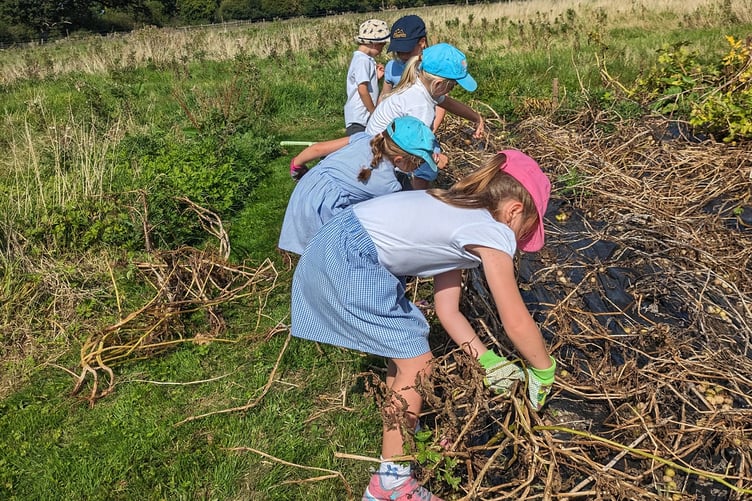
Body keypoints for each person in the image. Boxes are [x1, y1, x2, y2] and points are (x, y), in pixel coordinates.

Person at [291, 150, 557, 500]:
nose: (519, 243)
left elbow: (448, 310)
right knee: (419, 366)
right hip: (351, 258)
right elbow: (516, 320)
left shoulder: (458, 211)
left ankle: (401, 442)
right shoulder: (493, 232)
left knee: (404, 352)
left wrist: (488, 360)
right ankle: (391, 485)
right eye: (525, 232)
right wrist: (543, 368)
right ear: (514, 210)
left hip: (335, 245)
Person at [278, 116, 437, 255]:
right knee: (328, 254)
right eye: (420, 163)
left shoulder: (362, 138)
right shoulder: (388, 186)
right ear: (399, 160)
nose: (419, 167)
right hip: (323, 207)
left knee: (311, 248)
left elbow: (316, 148)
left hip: (306, 187)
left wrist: (296, 166)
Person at [366, 42, 485, 190]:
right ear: (439, 84)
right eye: (453, 85)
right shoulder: (420, 106)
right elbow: (417, 152)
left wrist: (475, 117)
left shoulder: (419, 83)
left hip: (376, 149)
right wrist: (437, 159)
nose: (453, 89)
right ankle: (419, 200)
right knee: (427, 168)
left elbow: (447, 102)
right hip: (385, 163)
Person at [380, 14, 446, 133]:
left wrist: (429, 133)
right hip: (395, 133)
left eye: (407, 50)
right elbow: (384, 97)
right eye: (399, 51)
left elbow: (442, 104)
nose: (403, 55)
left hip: (422, 128)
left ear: (422, 42)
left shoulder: (430, 69)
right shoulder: (392, 66)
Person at [344, 19, 389, 136]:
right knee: (361, 147)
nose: (381, 50)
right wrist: (373, 111)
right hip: (359, 118)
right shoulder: (362, 60)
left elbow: (363, 83)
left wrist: (375, 77)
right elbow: (362, 90)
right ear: (375, 43)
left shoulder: (364, 59)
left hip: (362, 117)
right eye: (382, 46)